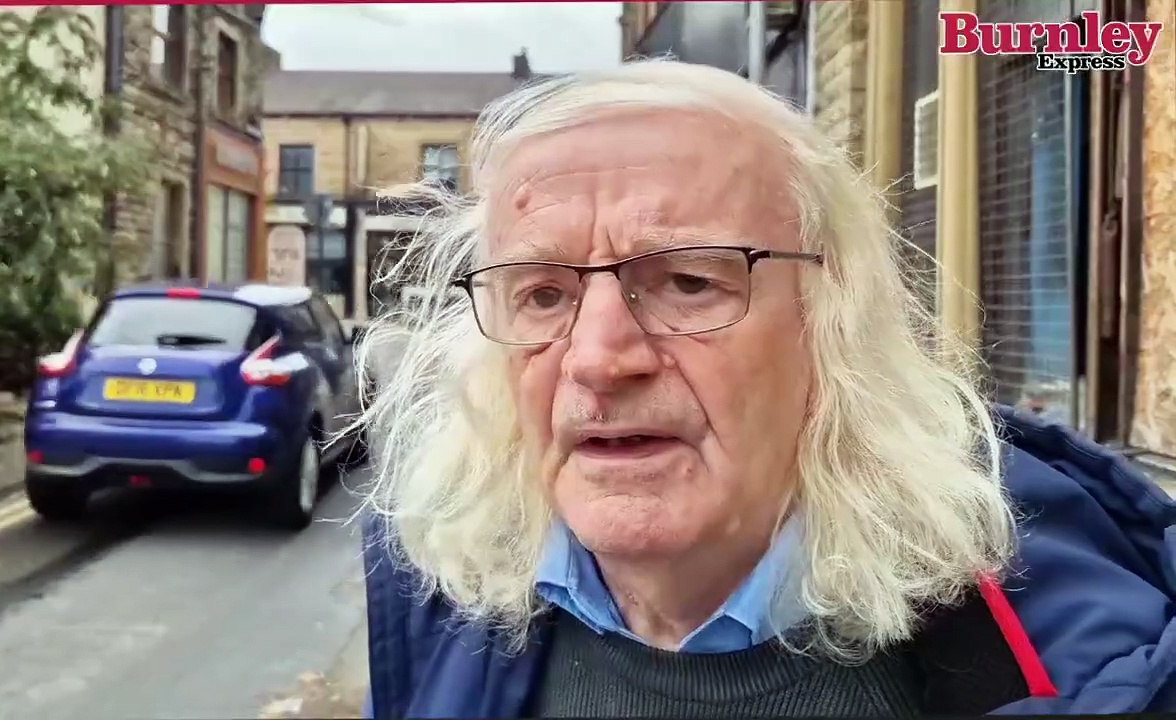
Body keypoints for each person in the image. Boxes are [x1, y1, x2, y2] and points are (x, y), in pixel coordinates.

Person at [348, 59, 1176, 717]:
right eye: (542, 295)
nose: (597, 360)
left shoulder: (1069, 659)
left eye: (688, 282)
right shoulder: (443, 599)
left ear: (834, 325)